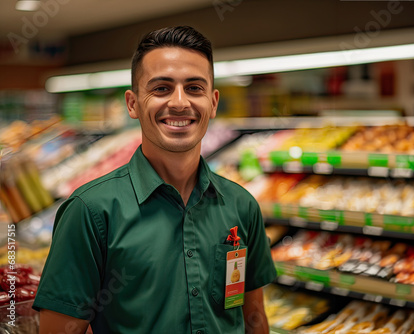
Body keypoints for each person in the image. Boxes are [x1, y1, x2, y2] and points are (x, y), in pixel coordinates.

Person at [33, 26, 277, 334]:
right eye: (161, 88)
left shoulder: (242, 206)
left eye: (194, 88)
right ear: (133, 103)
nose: (179, 102)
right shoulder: (90, 211)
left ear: (213, 102)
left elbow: (253, 318)